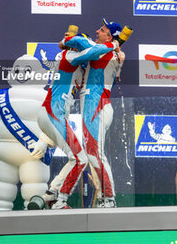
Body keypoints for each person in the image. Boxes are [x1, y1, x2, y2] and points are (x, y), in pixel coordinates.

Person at [30, 32, 120, 209]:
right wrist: (113, 45)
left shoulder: (80, 67)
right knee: (80, 158)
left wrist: (117, 57)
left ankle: (52, 193)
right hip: (52, 113)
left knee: (78, 158)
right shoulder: (69, 56)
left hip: (55, 116)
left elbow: (102, 69)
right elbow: (92, 53)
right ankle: (60, 200)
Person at [63, 19, 125, 207]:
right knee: (92, 154)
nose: (97, 31)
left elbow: (82, 43)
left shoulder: (108, 53)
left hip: (97, 103)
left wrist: (68, 40)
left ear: (110, 37)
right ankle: (105, 198)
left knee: (96, 154)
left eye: (102, 30)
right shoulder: (107, 51)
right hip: (92, 104)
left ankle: (109, 197)